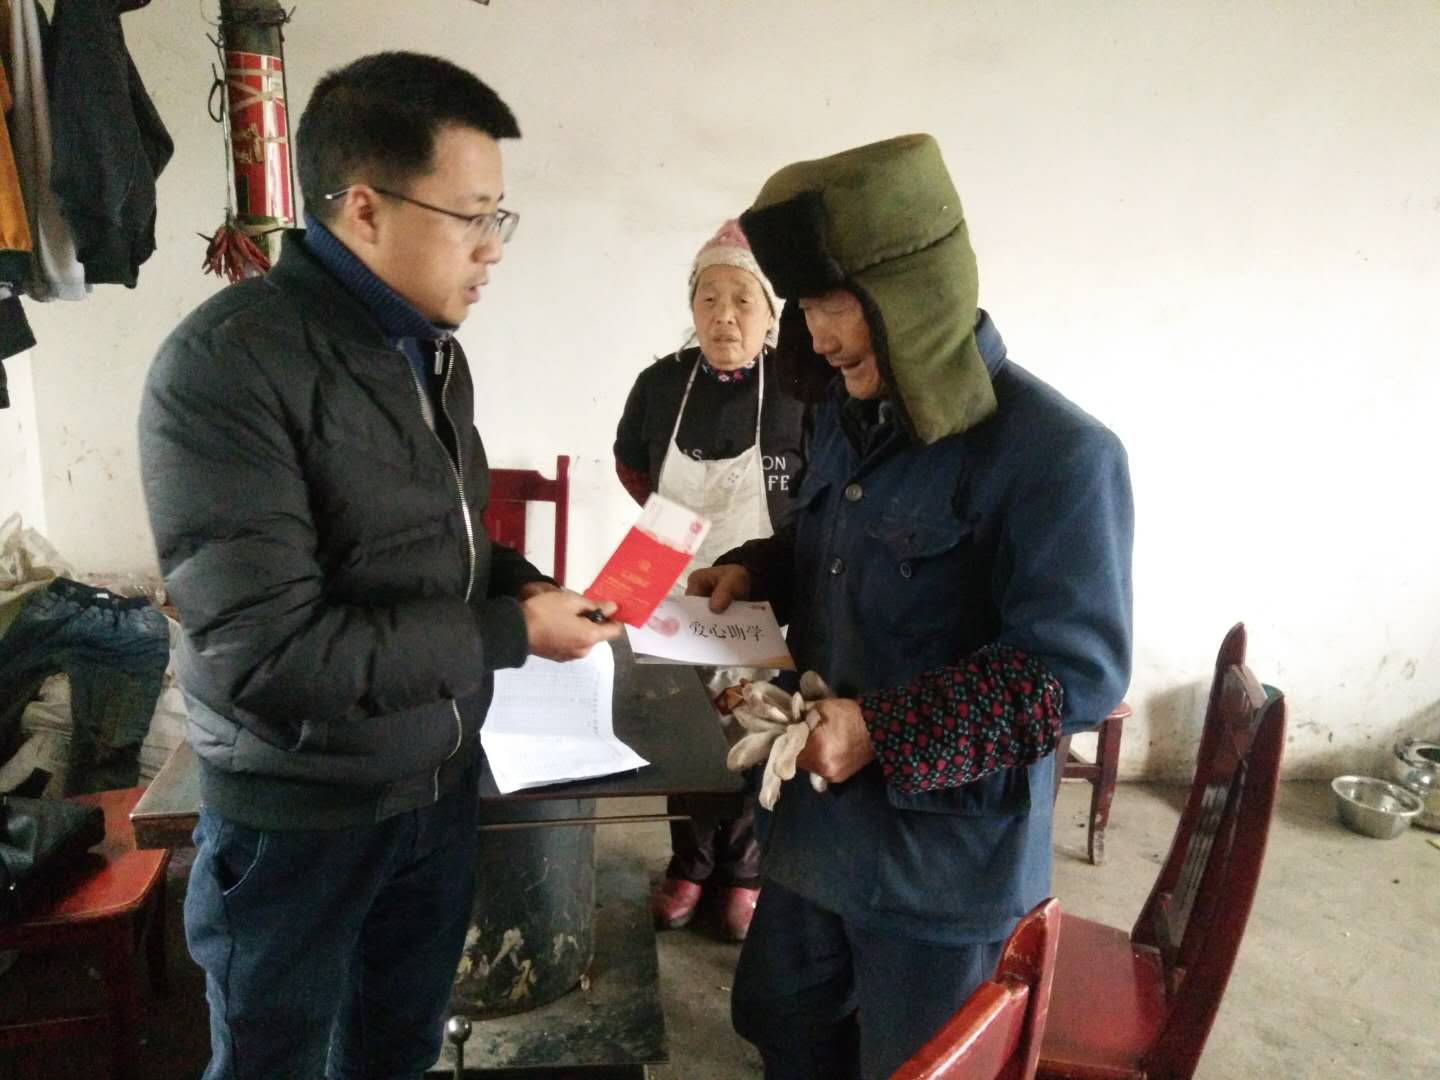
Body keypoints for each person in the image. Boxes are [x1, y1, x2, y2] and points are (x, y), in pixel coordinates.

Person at [138, 52, 619, 1079]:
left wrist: (518, 582)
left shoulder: (428, 349)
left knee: (395, 1052)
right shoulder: (226, 368)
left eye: (500, 217)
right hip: (300, 822)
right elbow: (273, 655)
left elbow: (433, 537)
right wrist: (509, 632)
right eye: (472, 217)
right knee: (277, 1062)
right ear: (364, 209)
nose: (493, 248)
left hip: (432, 794)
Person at [687, 134, 1134, 1078]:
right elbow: (834, 548)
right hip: (816, 836)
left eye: (834, 305)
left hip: (941, 873)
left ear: (914, 293)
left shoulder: (1059, 457)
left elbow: (1073, 676)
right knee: (779, 1021)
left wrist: (882, 732)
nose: (817, 337)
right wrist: (756, 572)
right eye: (806, 308)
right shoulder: (850, 416)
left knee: (912, 1066)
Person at [614, 220, 805, 940]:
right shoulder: (660, 384)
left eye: (742, 300)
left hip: (769, 592)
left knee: (758, 728)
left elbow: (818, 490)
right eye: (709, 299)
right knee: (686, 731)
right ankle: (689, 866)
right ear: (691, 307)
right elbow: (633, 468)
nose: (724, 316)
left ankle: (745, 873)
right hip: (678, 584)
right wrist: (679, 537)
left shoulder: (800, 387)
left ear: (770, 312)